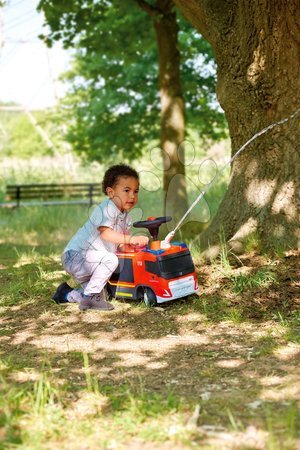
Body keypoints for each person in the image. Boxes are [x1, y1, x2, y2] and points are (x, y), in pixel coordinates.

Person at [52, 164, 149, 311]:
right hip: (76, 256)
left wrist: (136, 246)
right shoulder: (106, 208)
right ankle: (91, 298)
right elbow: (106, 233)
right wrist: (130, 239)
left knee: (103, 295)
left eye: (136, 191)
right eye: (126, 190)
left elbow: (121, 245)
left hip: (92, 261)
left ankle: (66, 294)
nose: (132, 196)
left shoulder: (126, 217)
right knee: (111, 260)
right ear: (110, 192)